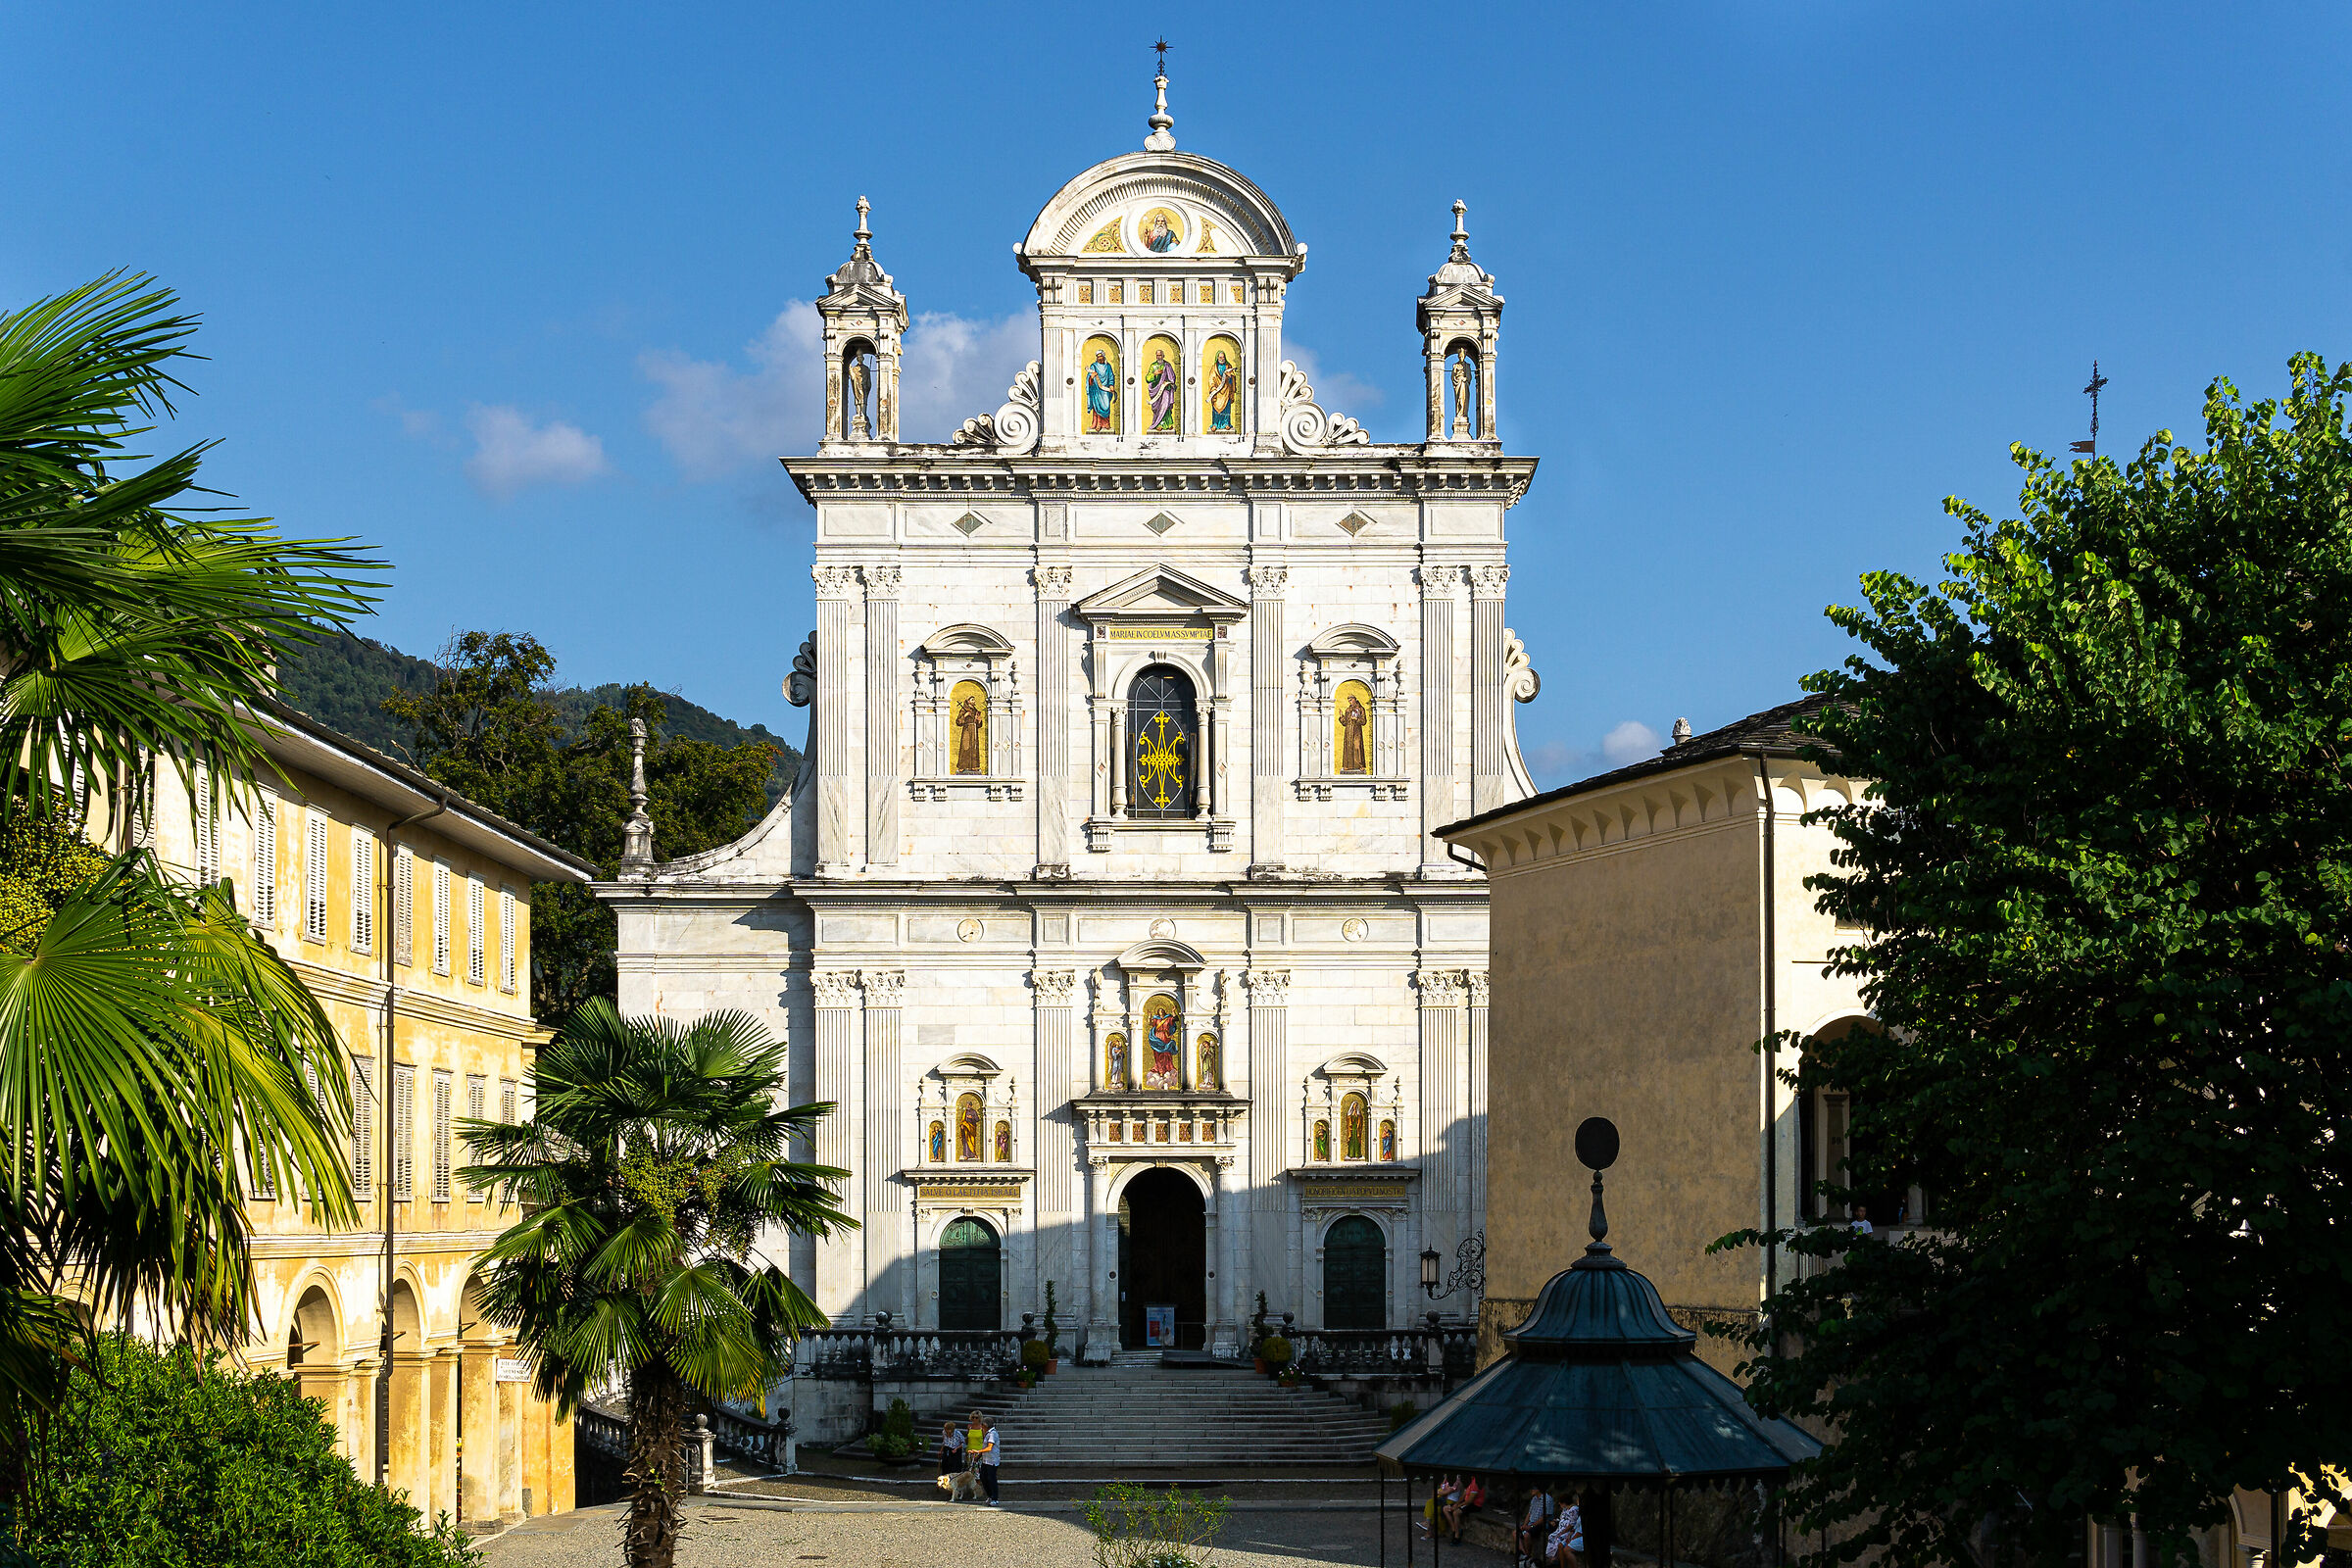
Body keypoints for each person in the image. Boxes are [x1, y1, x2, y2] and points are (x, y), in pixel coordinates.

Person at [1516, 1487, 1559, 1567]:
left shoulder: (1547, 1499)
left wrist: (1531, 1526)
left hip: (1541, 1524)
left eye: (1532, 1489)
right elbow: (1529, 1514)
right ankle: (1525, 1555)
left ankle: (1528, 1556)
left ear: (1538, 1489)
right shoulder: (1534, 1499)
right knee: (1516, 1533)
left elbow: (1545, 1517)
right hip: (1531, 1523)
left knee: (1526, 1535)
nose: (1531, 1490)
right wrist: (1525, 1525)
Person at [1444, 1473, 1485, 1543]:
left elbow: (1470, 1501)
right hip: (1467, 1502)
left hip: (1475, 1505)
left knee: (1456, 1513)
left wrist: (1457, 1506)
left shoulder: (1476, 1483)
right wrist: (1456, 1503)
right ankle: (1454, 1530)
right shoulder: (1469, 1481)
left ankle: (1457, 1536)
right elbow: (1464, 1495)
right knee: (1445, 1508)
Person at [1544, 1495, 1583, 1568]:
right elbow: (1564, 1519)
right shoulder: (1565, 1510)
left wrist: (1565, 1533)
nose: (1559, 1504)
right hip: (1565, 1531)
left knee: (1560, 1540)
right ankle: (1554, 1559)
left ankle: (1556, 1560)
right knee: (1552, 1536)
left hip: (1568, 1532)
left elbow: (1573, 1524)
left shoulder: (1574, 1509)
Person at [972, 1408, 1001, 1507]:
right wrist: (979, 1456)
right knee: (983, 1477)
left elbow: (989, 1447)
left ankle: (995, 1498)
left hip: (992, 1460)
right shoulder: (987, 1433)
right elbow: (985, 1447)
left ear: (986, 1426)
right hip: (985, 1460)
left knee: (991, 1479)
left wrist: (978, 1451)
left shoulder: (992, 1433)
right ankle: (990, 1495)